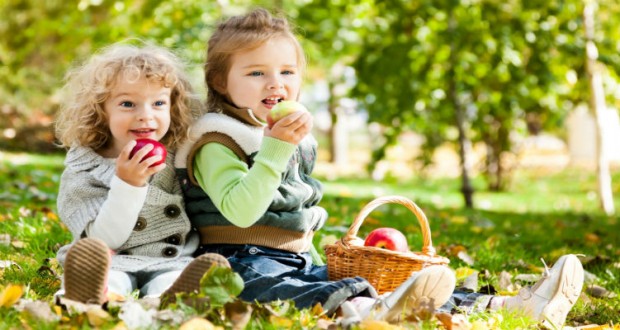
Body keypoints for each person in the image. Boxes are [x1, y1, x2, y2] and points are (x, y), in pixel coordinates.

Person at [175, 8, 584, 328]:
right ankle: (373, 311)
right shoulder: (217, 140)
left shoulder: (285, 132)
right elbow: (242, 212)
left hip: (293, 257)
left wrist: (313, 251)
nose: (275, 84)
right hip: (237, 259)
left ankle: (509, 304)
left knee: (359, 279)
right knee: (284, 290)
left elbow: (292, 215)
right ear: (220, 83)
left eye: (287, 72)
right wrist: (276, 148)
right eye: (256, 73)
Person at [54, 42, 229, 306]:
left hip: (171, 258)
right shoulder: (85, 167)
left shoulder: (178, 156)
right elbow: (104, 240)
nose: (145, 116)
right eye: (128, 104)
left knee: (172, 279)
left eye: (158, 102)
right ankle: (90, 296)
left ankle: (171, 299)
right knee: (110, 279)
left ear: (173, 106)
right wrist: (128, 184)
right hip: (112, 259)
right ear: (101, 110)